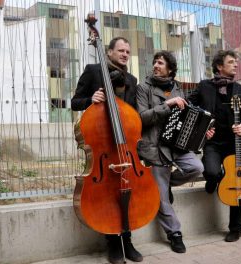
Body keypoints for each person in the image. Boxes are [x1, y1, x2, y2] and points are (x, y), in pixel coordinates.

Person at [71, 37, 142, 264]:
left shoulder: (131, 79)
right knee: (107, 195)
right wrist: (91, 99)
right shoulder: (93, 71)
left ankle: (128, 241)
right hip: (103, 145)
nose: (124, 54)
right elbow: (74, 102)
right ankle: (113, 244)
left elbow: (132, 114)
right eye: (120, 50)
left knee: (128, 194)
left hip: (125, 149)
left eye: (127, 51)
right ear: (109, 52)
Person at [136, 50, 204, 253]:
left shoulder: (177, 87)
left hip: (176, 145)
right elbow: (142, 118)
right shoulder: (143, 88)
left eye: (161, 63)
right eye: (155, 62)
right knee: (162, 199)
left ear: (170, 69)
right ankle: (175, 234)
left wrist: (203, 130)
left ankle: (163, 186)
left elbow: (186, 117)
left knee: (196, 167)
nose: (156, 65)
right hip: (154, 147)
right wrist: (167, 104)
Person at [187, 50, 241, 242]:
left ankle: (236, 227)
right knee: (213, 172)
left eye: (235, 62)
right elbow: (191, 107)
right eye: (231, 62)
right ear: (219, 67)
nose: (235, 65)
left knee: (236, 182)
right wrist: (202, 129)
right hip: (213, 143)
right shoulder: (204, 87)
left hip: (235, 143)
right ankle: (214, 179)